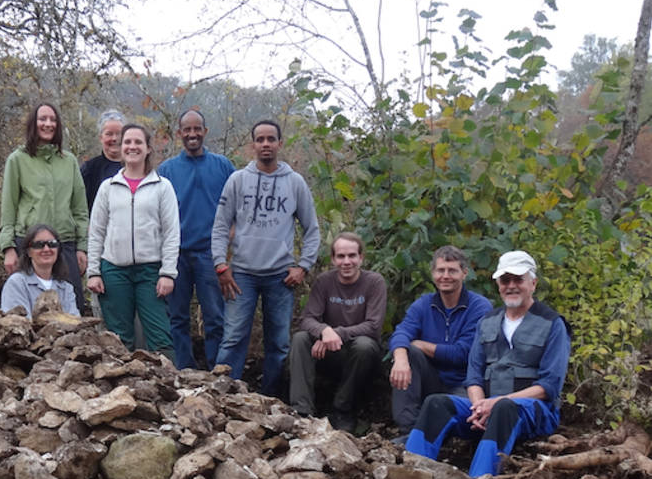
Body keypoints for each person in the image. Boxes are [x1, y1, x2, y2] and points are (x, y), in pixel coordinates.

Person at [404, 250, 571, 477]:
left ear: (533, 283)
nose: (511, 285)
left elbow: (549, 386)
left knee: (504, 408)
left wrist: (496, 403)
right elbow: (473, 376)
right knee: (436, 403)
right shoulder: (487, 322)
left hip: (533, 410)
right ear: (498, 284)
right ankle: (410, 473)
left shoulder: (552, 324)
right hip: (484, 408)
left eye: (517, 279)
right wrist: (479, 407)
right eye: (505, 280)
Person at [211, 120, 321, 398]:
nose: (265, 144)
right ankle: (223, 396)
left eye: (271, 139)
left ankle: (269, 400)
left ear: (280, 143)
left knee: (279, 343)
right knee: (233, 337)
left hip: (280, 276)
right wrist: (220, 265)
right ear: (253, 145)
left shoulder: (294, 182)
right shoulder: (237, 180)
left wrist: (303, 267)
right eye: (260, 139)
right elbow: (221, 226)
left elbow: (312, 229)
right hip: (242, 274)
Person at [87, 124, 179, 356]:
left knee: (160, 336)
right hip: (114, 270)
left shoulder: (162, 186)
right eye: (127, 142)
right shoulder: (107, 187)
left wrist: (168, 273)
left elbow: (171, 232)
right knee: (119, 339)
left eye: (138, 142)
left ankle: (169, 386)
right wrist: (94, 271)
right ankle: (120, 389)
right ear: (121, 147)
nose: (132, 147)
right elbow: (96, 231)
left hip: (150, 272)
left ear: (148, 148)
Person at [158, 109, 235, 370]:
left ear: (205, 131)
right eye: (187, 130)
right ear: (179, 133)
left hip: (210, 254)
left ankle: (217, 370)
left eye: (197, 128)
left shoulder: (223, 166)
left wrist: (228, 243)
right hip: (176, 254)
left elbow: (237, 207)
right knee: (177, 318)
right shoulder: (166, 170)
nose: (192, 134)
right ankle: (184, 369)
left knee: (215, 317)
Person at [388, 245, 493, 432]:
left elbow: (462, 353)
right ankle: (408, 431)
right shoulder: (423, 304)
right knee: (408, 352)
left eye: (452, 270)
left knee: (455, 417)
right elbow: (402, 332)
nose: (445, 276)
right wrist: (401, 358)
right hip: (432, 380)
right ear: (433, 273)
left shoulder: (479, 307)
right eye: (440, 270)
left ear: (464, 273)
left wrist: (422, 344)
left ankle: (441, 438)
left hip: (465, 384)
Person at [288, 233, 387, 430]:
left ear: (361, 258)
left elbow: (373, 326)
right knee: (300, 339)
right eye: (341, 256)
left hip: (360, 356)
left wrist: (335, 333)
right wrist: (323, 331)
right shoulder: (325, 281)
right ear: (333, 259)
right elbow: (307, 319)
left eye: (352, 256)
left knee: (364, 345)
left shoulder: (374, 282)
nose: (346, 262)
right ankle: (301, 410)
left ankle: (342, 409)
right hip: (329, 353)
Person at [0, 101, 89, 312]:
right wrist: (8, 248)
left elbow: (80, 209)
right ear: (34, 123)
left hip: (64, 244)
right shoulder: (18, 160)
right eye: (42, 119)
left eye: (53, 120)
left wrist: (82, 247)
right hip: (29, 244)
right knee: (24, 309)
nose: (48, 124)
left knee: (73, 307)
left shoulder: (69, 162)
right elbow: (8, 207)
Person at [0, 223, 79, 319]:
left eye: (52, 244)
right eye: (39, 245)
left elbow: (75, 321)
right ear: (28, 252)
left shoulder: (66, 288)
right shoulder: (16, 283)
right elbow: (17, 322)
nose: (46, 249)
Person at [80, 109, 125, 210]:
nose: (114, 138)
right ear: (101, 137)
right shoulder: (89, 169)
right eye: (109, 134)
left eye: (119, 133)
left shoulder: (136, 167)